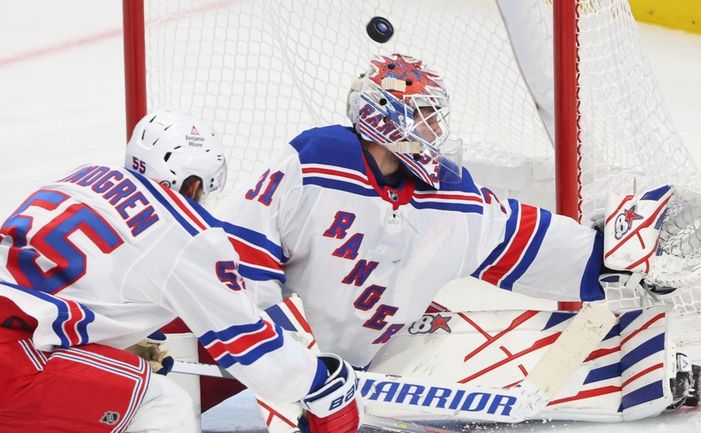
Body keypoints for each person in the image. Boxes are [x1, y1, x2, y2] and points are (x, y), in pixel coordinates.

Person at [216, 53, 604, 371]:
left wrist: (605, 259)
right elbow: (239, 247)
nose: (437, 130)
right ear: (384, 117)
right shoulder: (316, 162)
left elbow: (517, 238)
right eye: (425, 115)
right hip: (282, 354)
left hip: (379, 364)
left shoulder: (450, 191)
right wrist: (279, 360)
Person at [0, 110, 360, 433]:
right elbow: (246, 342)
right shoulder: (187, 233)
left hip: (19, 345)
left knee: (110, 397)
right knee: (163, 406)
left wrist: (104, 346)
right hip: (13, 362)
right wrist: (318, 380)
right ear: (193, 184)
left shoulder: (84, 178)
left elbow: (49, 287)